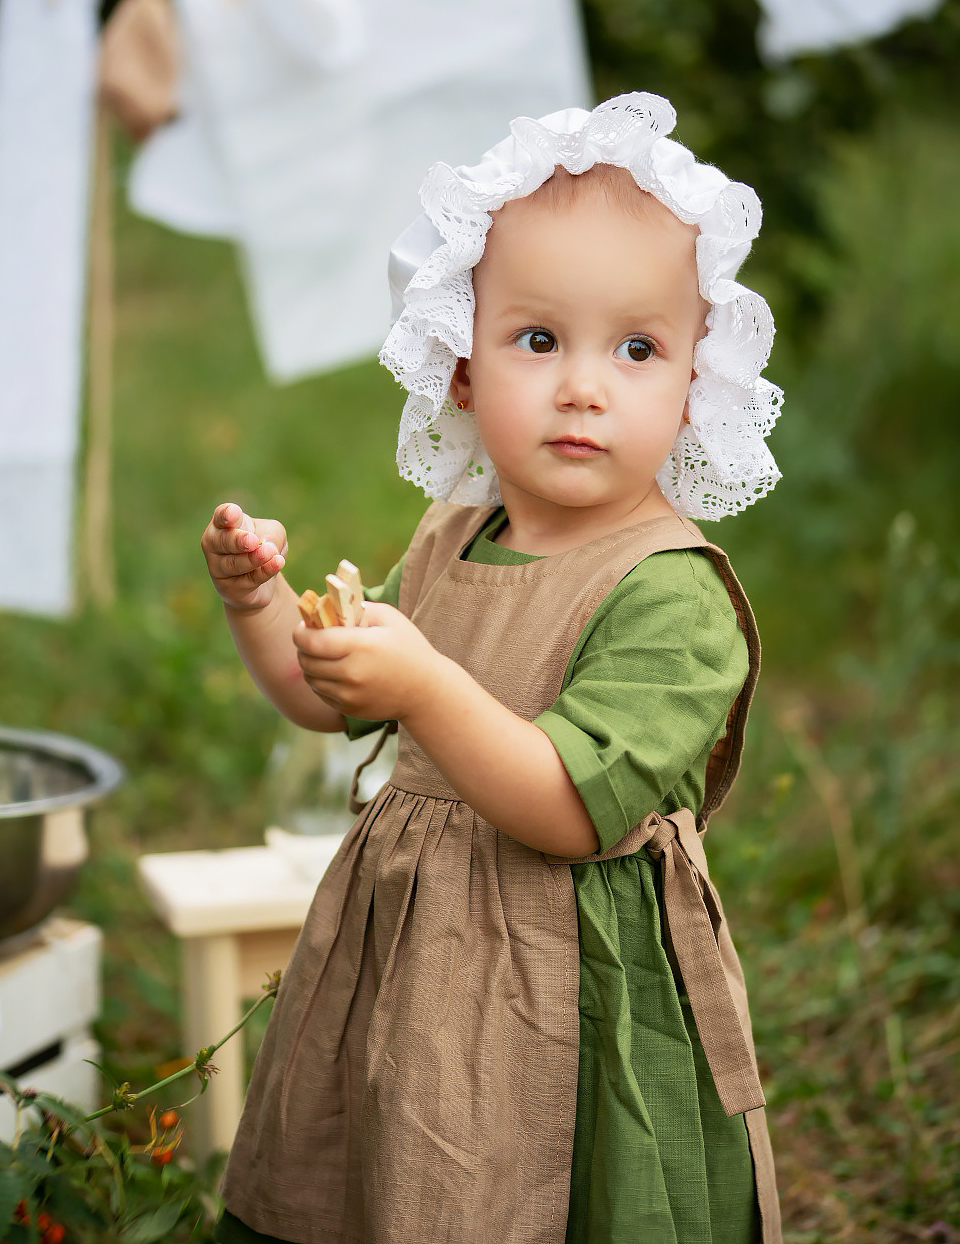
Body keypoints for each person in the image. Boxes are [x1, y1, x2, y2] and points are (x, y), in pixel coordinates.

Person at [202, 93, 785, 1244]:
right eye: (536, 340)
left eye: (637, 348)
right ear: (460, 370)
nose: (583, 385)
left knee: (540, 1190)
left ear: (693, 389)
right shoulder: (454, 534)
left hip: (578, 989)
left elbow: (569, 810)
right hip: (418, 962)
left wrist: (422, 683)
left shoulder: (671, 594)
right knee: (406, 1165)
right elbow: (328, 703)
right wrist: (264, 603)